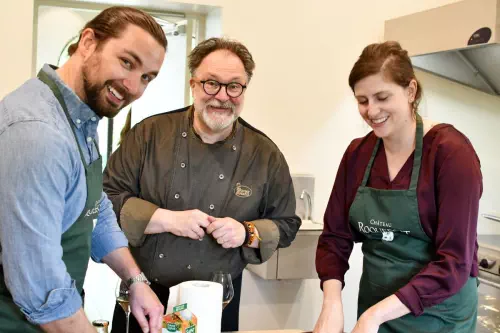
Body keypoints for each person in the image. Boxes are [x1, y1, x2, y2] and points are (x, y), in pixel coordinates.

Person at [103, 37, 301, 332]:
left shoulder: (265, 154)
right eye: (211, 83)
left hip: (217, 302)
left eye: (234, 86)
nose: (222, 96)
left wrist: (246, 232)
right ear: (193, 84)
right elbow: (105, 199)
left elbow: (286, 224)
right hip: (145, 294)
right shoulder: (149, 135)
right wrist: (166, 219)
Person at [0, 6, 168, 333]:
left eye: (147, 77)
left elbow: (95, 208)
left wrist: (135, 280)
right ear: (88, 42)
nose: (134, 86)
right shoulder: (38, 133)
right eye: (127, 62)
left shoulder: (79, 117)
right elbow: (43, 289)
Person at [314, 41, 482, 333]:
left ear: (411, 91)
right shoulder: (358, 154)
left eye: (382, 97)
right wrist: (332, 303)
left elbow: (454, 262)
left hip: (439, 319)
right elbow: (334, 237)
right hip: (376, 311)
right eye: (362, 100)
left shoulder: (451, 153)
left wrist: (373, 317)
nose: (371, 110)